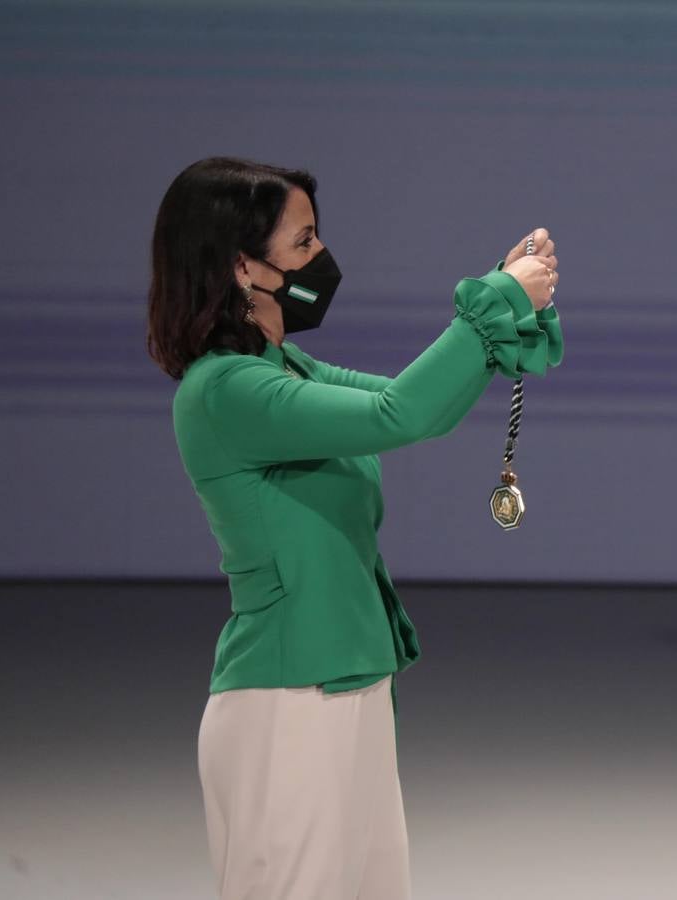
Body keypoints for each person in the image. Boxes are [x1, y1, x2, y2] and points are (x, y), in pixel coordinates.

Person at [146, 156, 563, 900]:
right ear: (243, 266)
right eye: (303, 242)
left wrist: (504, 297)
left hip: (343, 689)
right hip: (286, 700)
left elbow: (415, 399)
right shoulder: (228, 390)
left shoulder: (285, 366)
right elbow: (399, 415)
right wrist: (497, 298)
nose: (320, 258)